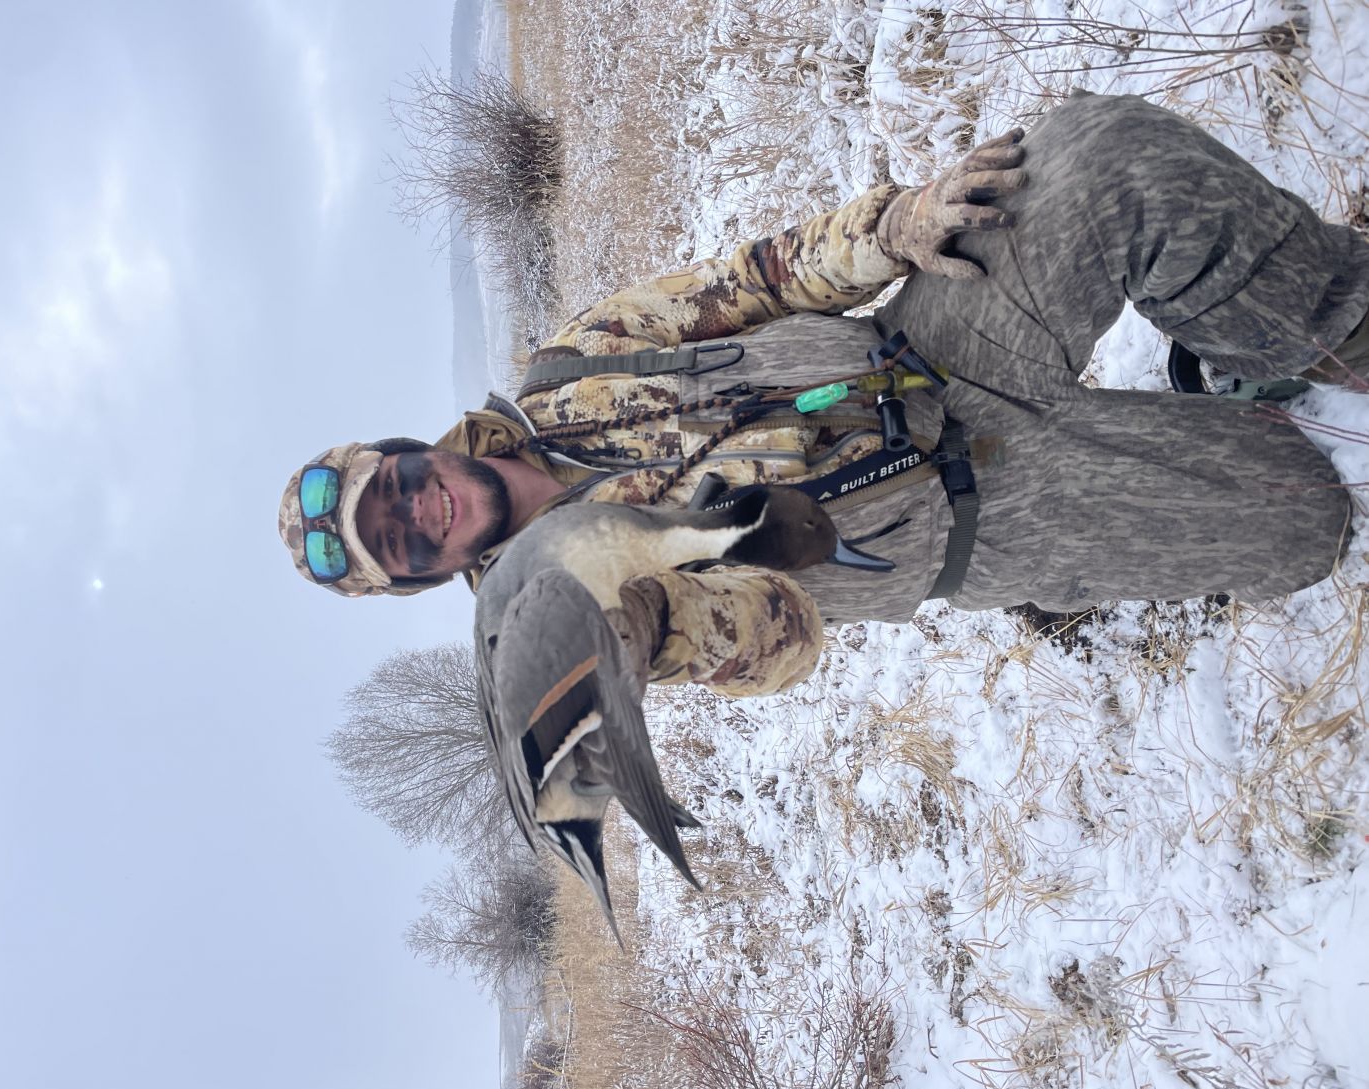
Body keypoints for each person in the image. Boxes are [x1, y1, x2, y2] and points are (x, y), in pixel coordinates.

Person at [279, 92, 1369, 697]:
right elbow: (777, 640)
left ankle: (1330, 333)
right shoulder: (557, 619)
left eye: (396, 487)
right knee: (1305, 516)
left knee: (1099, 157)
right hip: (980, 523)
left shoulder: (573, 366)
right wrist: (650, 627)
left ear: (408, 450)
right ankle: (1247, 417)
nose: (415, 511)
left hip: (933, 348)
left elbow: (751, 281)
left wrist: (887, 228)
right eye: (399, 542)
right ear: (423, 577)